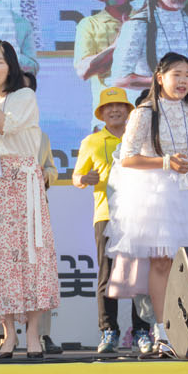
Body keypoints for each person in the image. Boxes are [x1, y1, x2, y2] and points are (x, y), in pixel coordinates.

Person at [107, 51, 188, 356]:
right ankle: (162, 331)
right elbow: (128, 158)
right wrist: (165, 162)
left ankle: (187, 327)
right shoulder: (144, 112)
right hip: (155, 193)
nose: (183, 81)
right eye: (177, 75)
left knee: (187, 263)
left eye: (187, 75)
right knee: (161, 261)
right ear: (160, 78)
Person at [0, 40, 58, 358]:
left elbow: (5, 125)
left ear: (11, 67)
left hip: (25, 187)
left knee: (33, 259)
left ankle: (32, 333)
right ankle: (7, 334)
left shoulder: (24, 97)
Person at [74, 88, 133, 352]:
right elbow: (77, 177)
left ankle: (141, 331)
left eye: (119, 105)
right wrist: (84, 179)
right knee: (108, 276)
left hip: (140, 215)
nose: (114, 110)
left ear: (128, 110)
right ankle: (109, 331)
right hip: (106, 214)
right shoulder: (92, 141)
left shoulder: (138, 138)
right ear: (101, 113)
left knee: (141, 276)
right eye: (108, 106)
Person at [73, 0, 140, 112]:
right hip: (107, 113)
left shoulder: (146, 20)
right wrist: (119, 43)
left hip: (143, 110)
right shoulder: (88, 24)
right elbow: (83, 72)